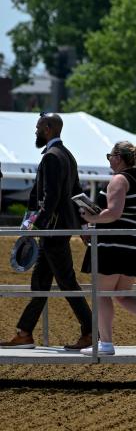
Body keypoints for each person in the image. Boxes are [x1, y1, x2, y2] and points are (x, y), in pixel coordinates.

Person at [1, 113, 93, 351]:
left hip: (52, 230)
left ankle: (91, 330)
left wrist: (35, 227)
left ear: (49, 128)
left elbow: (49, 198)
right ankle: (25, 333)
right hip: (58, 229)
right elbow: (76, 192)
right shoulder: (67, 155)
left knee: (66, 282)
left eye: (39, 127)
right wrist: (82, 225)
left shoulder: (52, 157)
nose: (36, 131)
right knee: (41, 282)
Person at [77, 142, 136, 355]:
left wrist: (90, 217)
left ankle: (106, 344)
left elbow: (113, 213)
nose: (109, 159)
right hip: (135, 245)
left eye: (110, 156)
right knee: (122, 294)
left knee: (101, 293)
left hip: (115, 246)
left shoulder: (119, 179)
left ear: (118, 157)